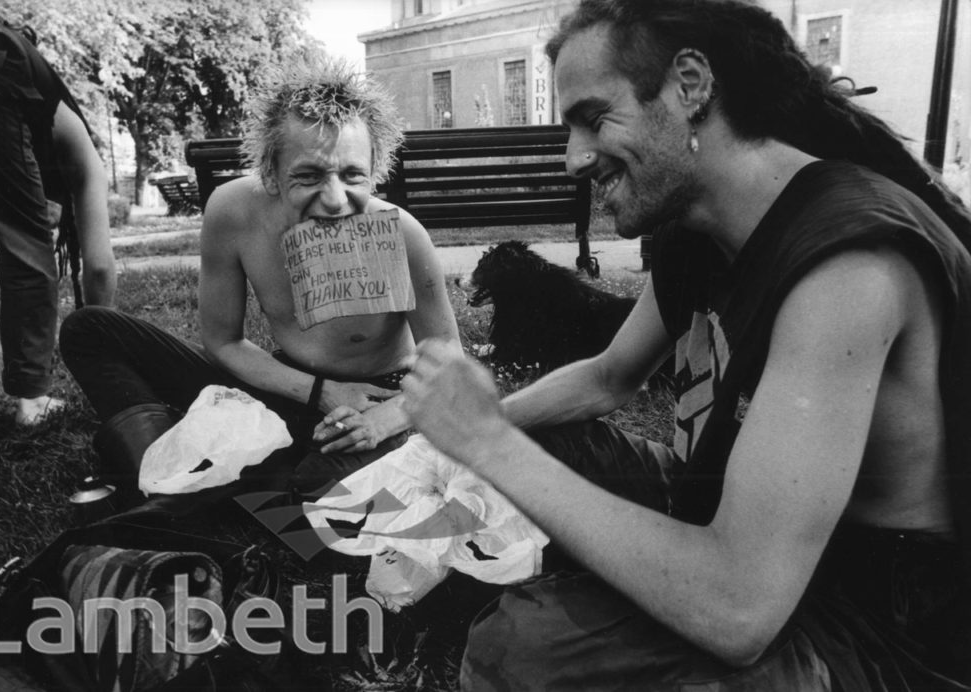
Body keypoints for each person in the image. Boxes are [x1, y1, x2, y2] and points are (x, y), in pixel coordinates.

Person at [401, 1, 971, 689]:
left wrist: (491, 444)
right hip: (725, 513)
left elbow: (740, 608)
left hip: (866, 625)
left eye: (593, 118)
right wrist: (447, 435)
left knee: (522, 650)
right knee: (546, 441)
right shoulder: (698, 228)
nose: (573, 158)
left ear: (691, 85)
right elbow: (610, 378)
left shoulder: (848, 266)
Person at [60, 55, 459, 504]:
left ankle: (199, 482)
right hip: (282, 382)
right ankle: (158, 470)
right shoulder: (233, 211)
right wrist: (319, 393)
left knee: (311, 492)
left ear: (375, 171)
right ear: (270, 172)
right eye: (308, 175)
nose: (333, 200)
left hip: (374, 398)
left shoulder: (402, 234)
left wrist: (382, 422)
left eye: (352, 176)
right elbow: (223, 342)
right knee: (89, 329)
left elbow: (450, 365)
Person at [0, 11, 116, 439]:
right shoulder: (67, 126)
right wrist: (111, 342)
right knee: (28, 247)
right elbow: (97, 266)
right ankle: (31, 400)